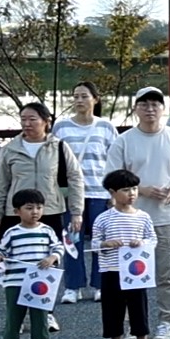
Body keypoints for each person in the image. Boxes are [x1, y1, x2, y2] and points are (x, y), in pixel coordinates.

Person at [105, 87, 170, 339]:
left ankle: (166, 322)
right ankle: (134, 325)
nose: (150, 109)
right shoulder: (124, 141)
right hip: (129, 219)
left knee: (168, 274)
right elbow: (111, 177)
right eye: (144, 104)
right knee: (131, 275)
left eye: (155, 104)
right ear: (136, 108)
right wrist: (141, 189)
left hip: (167, 216)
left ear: (163, 108)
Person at [0, 101, 85, 247]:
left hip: (50, 210)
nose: (27, 123)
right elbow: (0, 184)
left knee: (50, 256)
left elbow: (75, 179)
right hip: (16, 212)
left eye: (32, 119)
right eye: (23, 119)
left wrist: (76, 213)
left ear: (46, 121)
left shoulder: (59, 147)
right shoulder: (9, 149)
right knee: (16, 256)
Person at [0, 188, 66, 339]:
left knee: (40, 315)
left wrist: (52, 258)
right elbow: (0, 250)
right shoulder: (12, 232)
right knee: (14, 315)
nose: (35, 212)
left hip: (40, 281)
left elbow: (58, 247)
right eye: (29, 208)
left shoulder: (47, 230)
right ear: (17, 212)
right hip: (15, 281)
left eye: (39, 207)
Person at [54, 82, 119, 303]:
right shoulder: (61, 127)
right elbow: (54, 160)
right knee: (72, 240)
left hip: (99, 192)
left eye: (84, 96)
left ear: (95, 99)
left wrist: (114, 193)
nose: (79, 100)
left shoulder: (106, 127)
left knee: (101, 240)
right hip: (71, 193)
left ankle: (101, 284)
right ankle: (73, 286)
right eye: (75, 96)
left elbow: (115, 161)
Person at [90, 168, 154, 339]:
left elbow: (153, 239)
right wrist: (105, 244)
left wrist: (141, 242)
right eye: (126, 190)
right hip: (111, 270)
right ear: (112, 192)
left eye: (134, 189)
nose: (132, 194)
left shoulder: (143, 216)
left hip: (136, 272)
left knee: (138, 308)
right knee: (112, 310)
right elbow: (94, 244)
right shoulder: (103, 218)